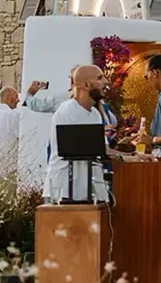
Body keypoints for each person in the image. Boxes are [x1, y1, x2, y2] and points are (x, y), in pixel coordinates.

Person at [44, 64, 111, 203]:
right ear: (86, 84)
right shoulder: (67, 111)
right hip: (64, 190)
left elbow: (104, 150)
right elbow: (85, 149)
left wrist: (134, 157)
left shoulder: (95, 115)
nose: (106, 82)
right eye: (100, 78)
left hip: (85, 190)